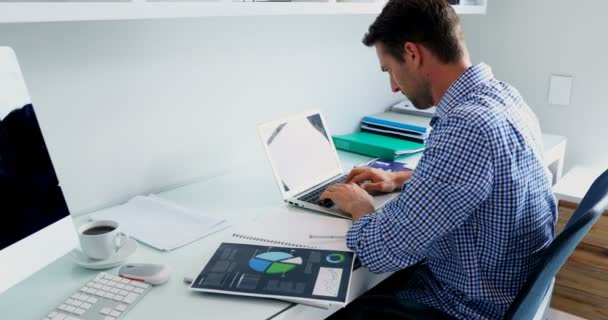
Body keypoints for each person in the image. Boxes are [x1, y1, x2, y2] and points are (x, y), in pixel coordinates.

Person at [320, 0, 557, 319]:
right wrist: (399, 178)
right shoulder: (504, 96)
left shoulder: (466, 126)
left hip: (466, 306)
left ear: (413, 54)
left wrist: (359, 205)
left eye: (389, 69)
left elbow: (383, 250)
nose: (392, 86)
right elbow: (477, 182)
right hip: (505, 292)